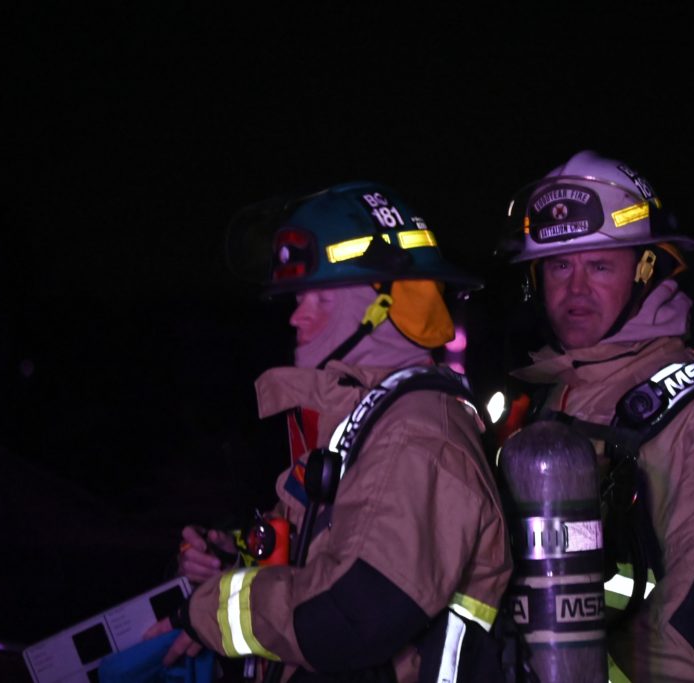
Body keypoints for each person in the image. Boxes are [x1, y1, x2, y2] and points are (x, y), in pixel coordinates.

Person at [147, 181, 513, 682]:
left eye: (321, 297)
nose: (297, 316)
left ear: (386, 306)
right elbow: (319, 554)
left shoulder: (416, 435)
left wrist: (210, 613)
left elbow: (354, 615)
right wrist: (235, 555)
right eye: (299, 297)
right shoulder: (368, 420)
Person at [498, 151, 694, 682]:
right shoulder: (559, 394)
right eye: (559, 266)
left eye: (600, 266)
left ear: (647, 268)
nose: (575, 290)